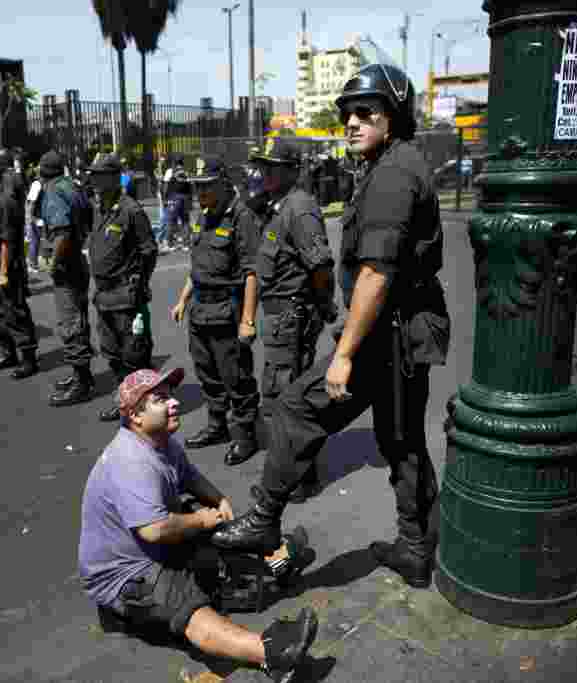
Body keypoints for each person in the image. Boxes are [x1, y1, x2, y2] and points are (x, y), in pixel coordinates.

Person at [211, 61, 452, 592]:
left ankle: (264, 517)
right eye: (347, 114)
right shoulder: (395, 162)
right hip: (402, 332)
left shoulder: (393, 173)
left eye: (366, 112)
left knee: (298, 407)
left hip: (388, 335)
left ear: (394, 115)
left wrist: (343, 354)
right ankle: (416, 548)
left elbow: (375, 273)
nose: (352, 122)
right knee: (402, 441)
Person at [78, 367, 318, 683]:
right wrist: (203, 519)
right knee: (185, 601)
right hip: (125, 574)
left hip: (153, 547)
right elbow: (154, 529)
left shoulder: (160, 441)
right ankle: (271, 653)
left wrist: (218, 501)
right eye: (160, 399)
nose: (174, 403)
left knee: (205, 520)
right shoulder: (130, 461)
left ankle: (277, 559)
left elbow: (189, 476)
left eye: (171, 395)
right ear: (135, 416)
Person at [248, 137, 337, 503]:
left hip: (291, 316)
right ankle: (294, 472)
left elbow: (320, 266)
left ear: (292, 170)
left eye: (273, 167)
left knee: (286, 398)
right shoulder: (277, 206)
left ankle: (295, 479)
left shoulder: (298, 208)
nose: (265, 173)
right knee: (283, 396)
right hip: (279, 316)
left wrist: (323, 305)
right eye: (263, 166)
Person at [170, 156, 262, 466]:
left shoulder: (241, 217)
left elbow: (252, 272)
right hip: (200, 309)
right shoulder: (204, 215)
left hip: (227, 309)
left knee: (235, 376)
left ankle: (246, 435)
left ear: (224, 183)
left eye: (207, 186)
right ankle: (217, 426)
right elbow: (198, 266)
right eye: (197, 187)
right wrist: (183, 300)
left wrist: (248, 320)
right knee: (207, 373)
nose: (200, 193)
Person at [86, 154, 159, 421]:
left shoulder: (131, 210)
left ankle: (147, 406)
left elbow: (149, 250)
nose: (94, 180)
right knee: (112, 353)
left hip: (126, 296)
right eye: (93, 175)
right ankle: (126, 402)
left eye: (100, 175)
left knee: (134, 355)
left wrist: (140, 281)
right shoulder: (99, 208)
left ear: (115, 178)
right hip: (104, 296)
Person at [36, 151, 97, 406]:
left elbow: (61, 232)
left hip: (67, 263)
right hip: (77, 259)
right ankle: (82, 375)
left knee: (70, 323)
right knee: (78, 320)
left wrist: (53, 264)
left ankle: (82, 383)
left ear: (42, 172)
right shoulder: (73, 186)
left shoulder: (53, 190)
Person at [0, 150, 40, 380]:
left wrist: (4, 271)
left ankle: (28, 359)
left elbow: (7, 240)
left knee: (15, 311)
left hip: (4, 266)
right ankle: (8, 353)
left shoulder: (5, 201)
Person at [161, 155, 192, 251]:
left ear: (174, 162)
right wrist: (190, 201)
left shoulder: (170, 171)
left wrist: (164, 199)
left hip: (174, 198)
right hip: (185, 199)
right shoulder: (186, 172)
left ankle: (171, 244)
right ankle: (186, 244)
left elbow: (166, 186)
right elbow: (190, 187)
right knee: (185, 221)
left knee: (170, 221)